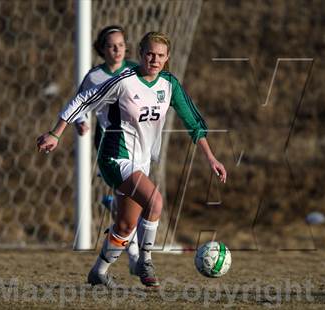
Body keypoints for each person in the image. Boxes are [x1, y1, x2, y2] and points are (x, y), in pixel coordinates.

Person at [36, 31, 227, 288]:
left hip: (141, 161)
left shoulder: (169, 84)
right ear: (140, 54)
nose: (154, 59)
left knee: (126, 225)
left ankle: (99, 272)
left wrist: (211, 157)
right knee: (155, 201)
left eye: (160, 55)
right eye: (149, 53)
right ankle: (145, 261)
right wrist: (55, 133)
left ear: (167, 57)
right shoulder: (124, 80)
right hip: (115, 156)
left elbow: (193, 122)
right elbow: (84, 99)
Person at [73, 25, 140, 277]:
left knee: (132, 201)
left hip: (139, 142)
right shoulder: (94, 77)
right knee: (135, 199)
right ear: (102, 49)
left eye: (121, 44)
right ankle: (134, 257)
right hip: (110, 145)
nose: (117, 49)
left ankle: (127, 251)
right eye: (112, 45)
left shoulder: (135, 70)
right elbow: (79, 104)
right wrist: (81, 121)